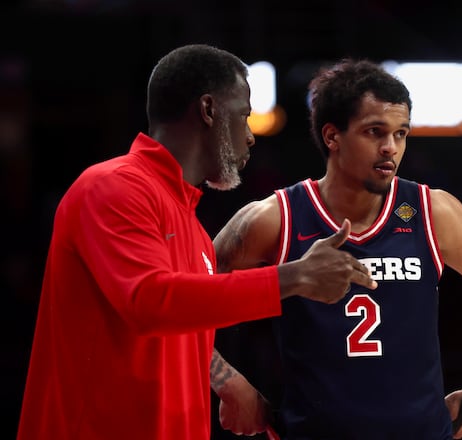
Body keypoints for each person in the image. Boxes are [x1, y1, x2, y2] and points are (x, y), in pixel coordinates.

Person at [16, 44, 377, 440]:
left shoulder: (193, 228)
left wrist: (227, 381)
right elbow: (151, 302)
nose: (251, 137)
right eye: (244, 116)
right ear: (208, 110)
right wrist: (292, 278)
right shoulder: (113, 187)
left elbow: (180, 317)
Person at [211, 58, 462, 439]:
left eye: (401, 133)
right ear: (332, 136)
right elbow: (183, 301)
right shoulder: (275, 218)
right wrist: (228, 383)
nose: (391, 147)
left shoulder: (431, 211)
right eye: (375, 132)